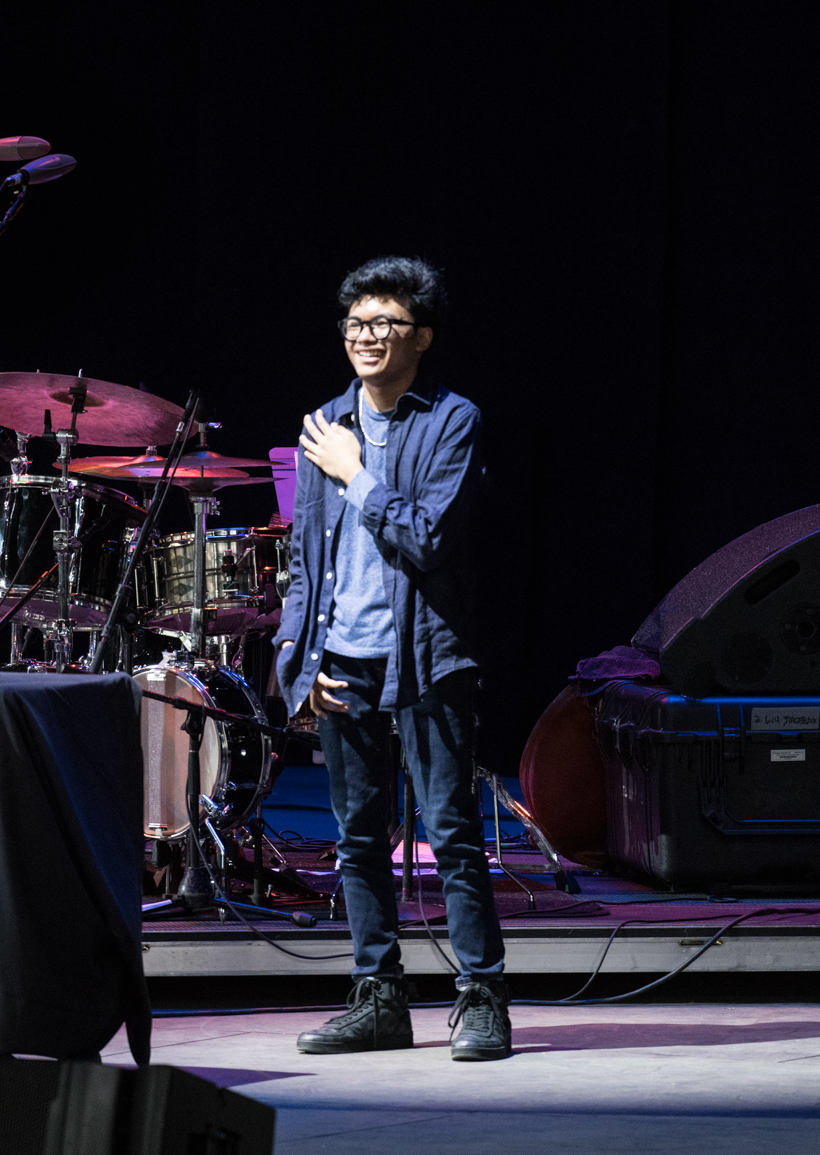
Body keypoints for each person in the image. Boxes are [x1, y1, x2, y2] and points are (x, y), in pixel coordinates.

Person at [274, 256, 510, 1061]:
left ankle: (482, 997)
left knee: (450, 831)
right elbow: (306, 559)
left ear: (423, 336)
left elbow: (430, 538)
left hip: (429, 660)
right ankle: (378, 999)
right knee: (355, 840)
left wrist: (357, 474)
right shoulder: (325, 421)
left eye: (385, 324)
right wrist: (296, 663)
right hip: (344, 660)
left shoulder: (450, 420)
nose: (366, 336)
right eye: (356, 323)